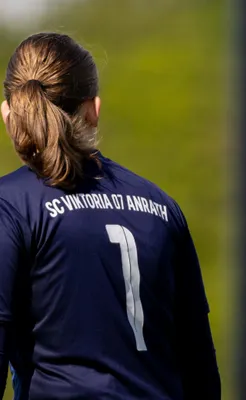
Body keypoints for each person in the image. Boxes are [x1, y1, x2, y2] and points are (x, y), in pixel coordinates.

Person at [0, 33, 221, 400]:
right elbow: (201, 373)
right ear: (93, 110)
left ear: (8, 113)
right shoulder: (162, 207)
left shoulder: (9, 205)